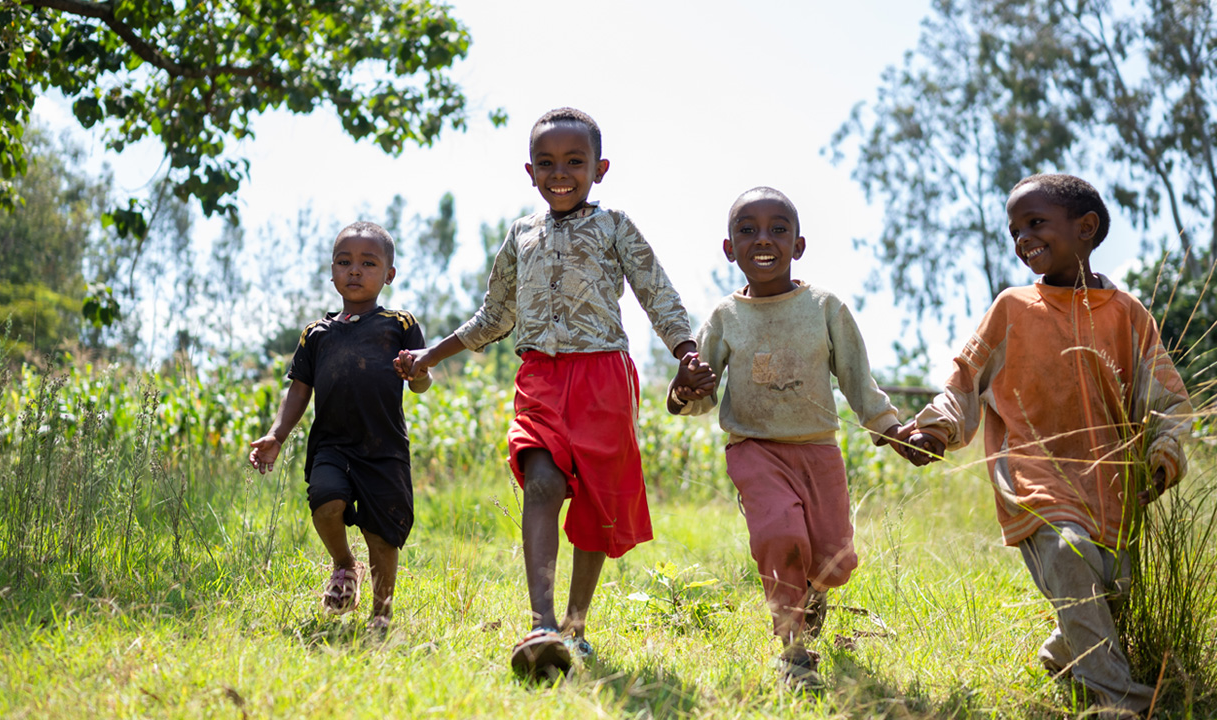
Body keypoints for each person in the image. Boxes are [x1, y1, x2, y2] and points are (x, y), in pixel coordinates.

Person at [394, 107, 712, 679]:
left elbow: (656, 292)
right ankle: (540, 625)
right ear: (530, 170)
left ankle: (574, 628)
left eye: (574, 162)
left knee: (593, 502)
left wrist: (686, 353)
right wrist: (427, 355)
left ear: (599, 167)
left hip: (603, 379)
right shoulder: (520, 235)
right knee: (540, 480)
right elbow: (494, 315)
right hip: (539, 376)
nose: (559, 173)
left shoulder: (615, 224)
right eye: (547, 163)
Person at [899, 173, 1192, 716]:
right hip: (1034, 474)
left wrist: (1161, 459)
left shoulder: (1129, 315)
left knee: (1111, 587)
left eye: (1036, 223)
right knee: (1069, 550)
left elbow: (1169, 401)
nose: (1022, 238)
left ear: (1086, 228)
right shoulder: (1011, 307)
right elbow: (964, 381)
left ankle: (1063, 654)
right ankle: (1120, 700)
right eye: (1014, 229)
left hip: (1113, 485)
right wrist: (934, 430)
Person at [669, 186, 907, 690]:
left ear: (798, 245)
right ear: (730, 248)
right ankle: (792, 653)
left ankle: (814, 596)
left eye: (779, 229)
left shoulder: (824, 307)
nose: (764, 239)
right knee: (780, 536)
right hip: (754, 449)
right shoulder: (724, 317)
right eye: (748, 229)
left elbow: (858, 381)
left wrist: (892, 429)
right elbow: (699, 394)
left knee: (832, 558)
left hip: (818, 449)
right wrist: (681, 391)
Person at [248, 221, 430, 630]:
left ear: (388, 275)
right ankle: (345, 564)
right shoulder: (317, 334)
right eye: (344, 262)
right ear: (332, 272)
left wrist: (415, 372)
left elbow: (422, 381)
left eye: (368, 263)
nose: (354, 271)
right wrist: (277, 434)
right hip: (333, 445)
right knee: (326, 503)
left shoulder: (399, 325)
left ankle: (381, 614)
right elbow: (299, 390)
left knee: (381, 534)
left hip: (384, 448)